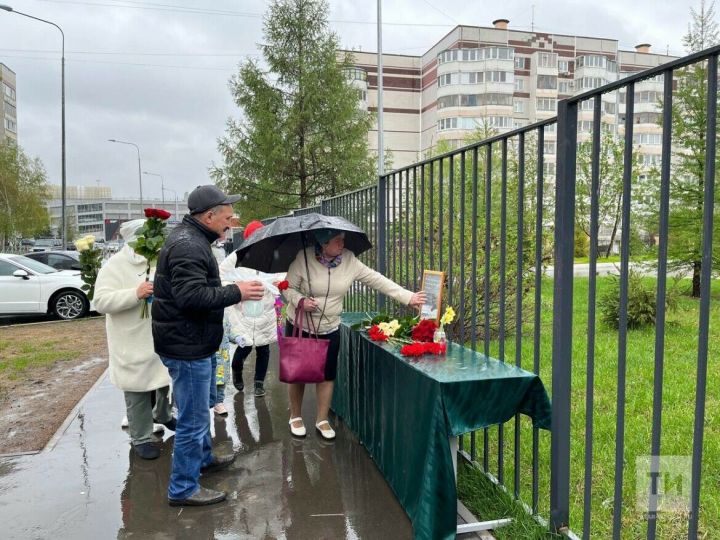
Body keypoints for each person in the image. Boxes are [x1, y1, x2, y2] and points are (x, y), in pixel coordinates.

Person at [151, 184, 265, 507]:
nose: (232, 222)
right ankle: (183, 487)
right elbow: (191, 298)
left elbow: (194, 289)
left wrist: (229, 289)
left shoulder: (193, 239)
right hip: (187, 346)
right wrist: (236, 292)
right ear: (210, 215)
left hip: (191, 341)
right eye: (228, 217)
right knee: (193, 419)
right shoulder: (188, 246)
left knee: (198, 411)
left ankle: (202, 459)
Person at [282, 228, 426, 440]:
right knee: (298, 374)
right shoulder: (302, 258)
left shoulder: (349, 260)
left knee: (327, 374)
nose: (342, 244)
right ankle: (295, 416)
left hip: (330, 326)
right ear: (323, 243)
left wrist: (409, 297)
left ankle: (322, 419)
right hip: (300, 324)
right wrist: (299, 300)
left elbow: (376, 279)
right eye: (337, 240)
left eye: (343, 239)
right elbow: (286, 286)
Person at [93, 219, 175, 460]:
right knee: (137, 388)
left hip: (160, 332)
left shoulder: (160, 260)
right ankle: (141, 436)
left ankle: (163, 415)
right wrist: (135, 293)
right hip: (131, 339)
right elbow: (100, 302)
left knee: (164, 379)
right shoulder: (115, 265)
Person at [219, 220, 285, 399]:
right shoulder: (236, 257)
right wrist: (237, 287)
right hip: (243, 311)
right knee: (244, 346)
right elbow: (220, 276)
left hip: (266, 311)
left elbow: (282, 276)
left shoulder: (273, 257)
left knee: (264, 349)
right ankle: (237, 368)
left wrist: (280, 283)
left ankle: (259, 383)